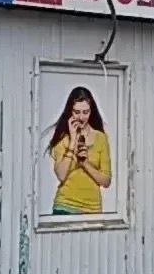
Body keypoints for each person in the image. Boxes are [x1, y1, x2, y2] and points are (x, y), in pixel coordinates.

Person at [47, 86, 112, 215]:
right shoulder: (63, 138)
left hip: (93, 209)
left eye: (85, 112)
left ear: (91, 111)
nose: (81, 117)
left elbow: (106, 181)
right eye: (77, 112)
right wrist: (72, 141)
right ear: (70, 111)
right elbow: (61, 175)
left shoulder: (100, 138)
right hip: (66, 205)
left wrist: (85, 164)